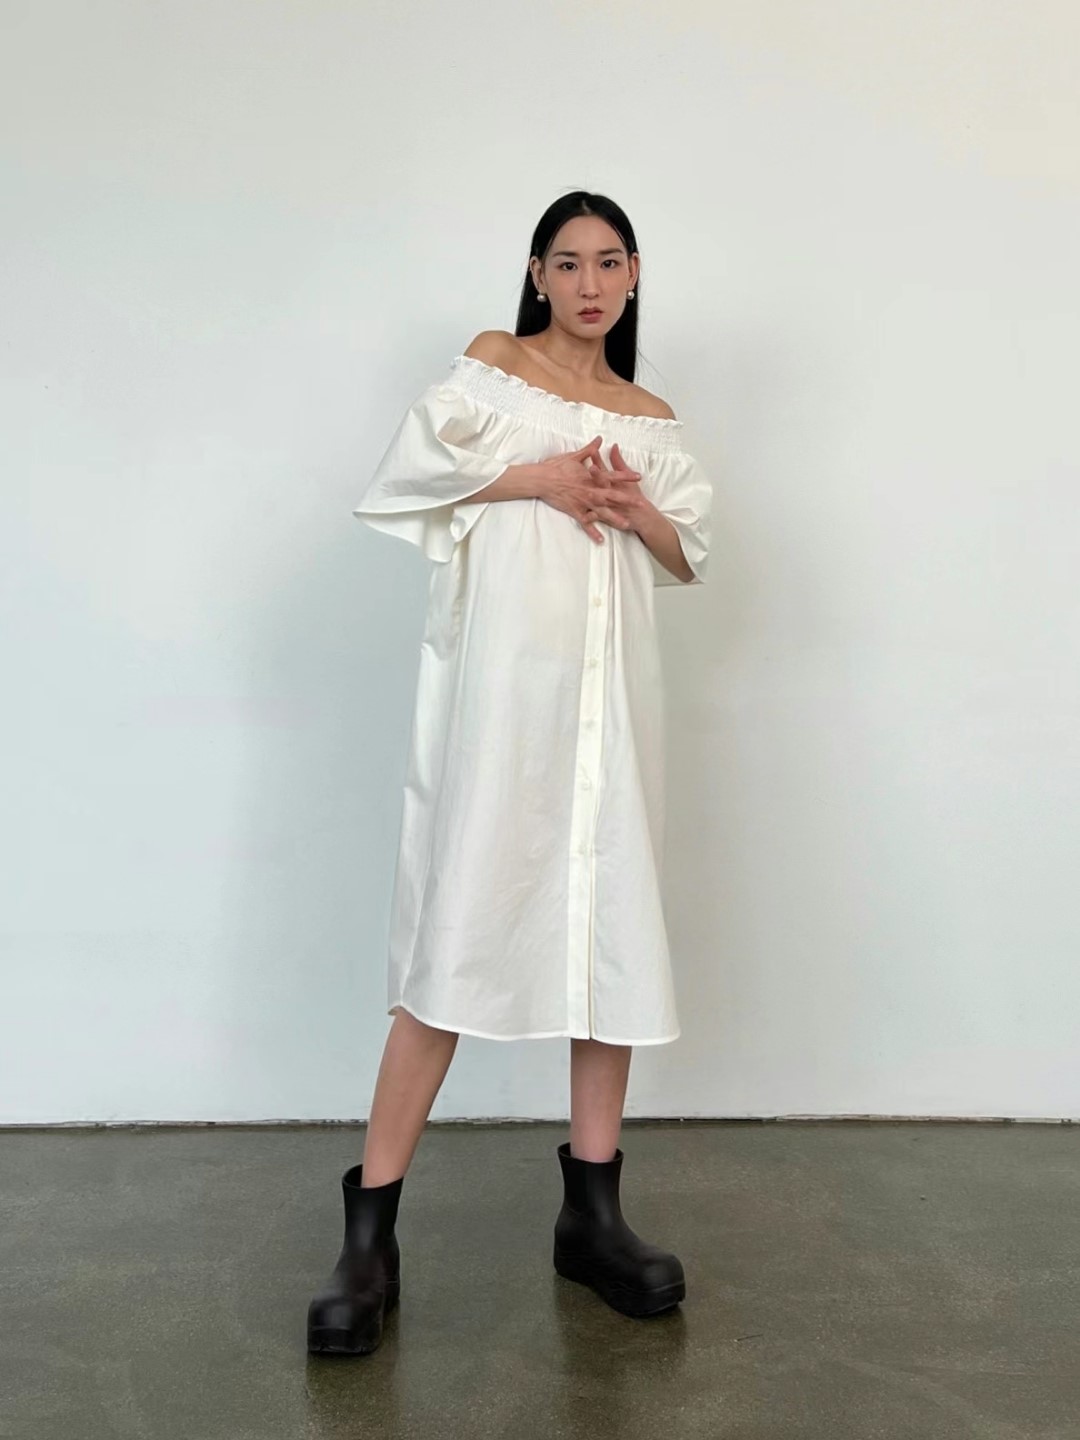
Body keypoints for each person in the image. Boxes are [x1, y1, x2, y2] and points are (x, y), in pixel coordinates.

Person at [307, 191, 713, 1356]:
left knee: (606, 934)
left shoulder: (650, 419)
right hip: (502, 705)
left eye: (610, 262)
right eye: (568, 262)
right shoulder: (495, 368)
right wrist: (537, 480)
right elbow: (405, 478)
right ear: (537, 274)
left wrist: (635, 505)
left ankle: (593, 1218)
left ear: (634, 276)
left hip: (608, 714)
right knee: (451, 947)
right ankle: (369, 1237)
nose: (590, 284)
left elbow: (689, 552)